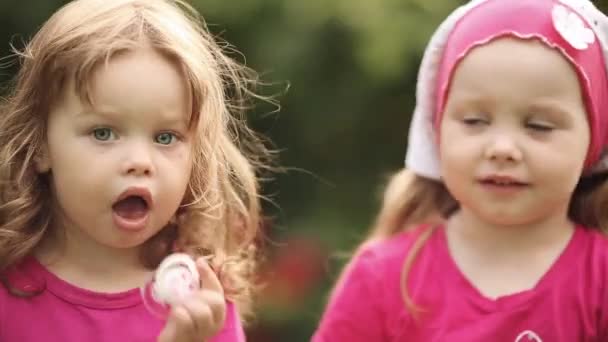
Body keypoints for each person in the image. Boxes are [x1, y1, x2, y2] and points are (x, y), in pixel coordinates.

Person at [313, 0, 608, 340]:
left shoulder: (599, 280)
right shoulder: (384, 277)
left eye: (539, 126)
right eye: (475, 121)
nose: (502, 149)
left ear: (594, 139)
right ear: (436, 130)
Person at [0, 0, 271, 341]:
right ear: (40, 145)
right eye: (103, 133)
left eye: (165, 137)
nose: (140, 162)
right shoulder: (8, 293)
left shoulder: (199, 298)